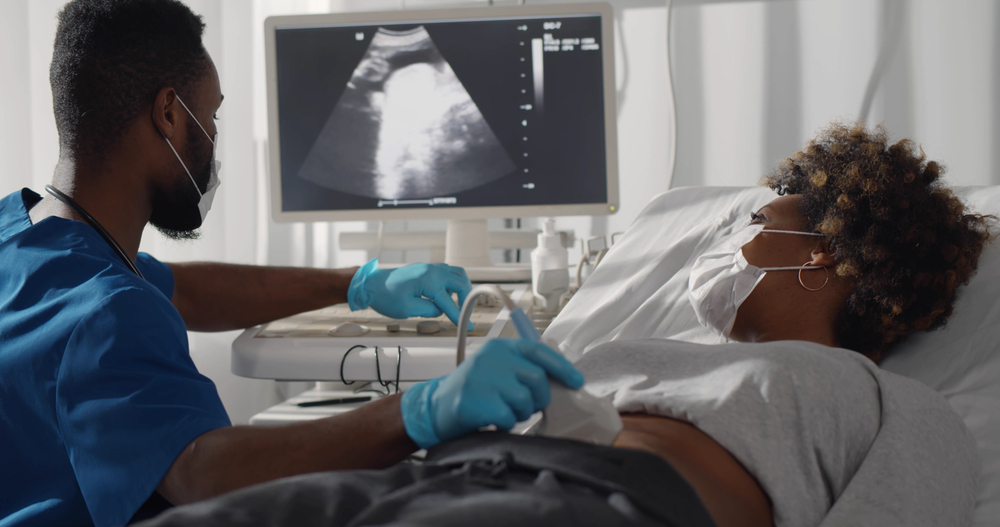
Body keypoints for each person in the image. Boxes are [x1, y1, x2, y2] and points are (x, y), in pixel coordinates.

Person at [133, 123, 994, 527]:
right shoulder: (642, 349)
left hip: (589, 507)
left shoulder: (893, 406)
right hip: (443, 478)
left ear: (826, 251)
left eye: (756, 219)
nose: (732, 236)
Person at [0, 1, 584, 526]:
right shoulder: (105, 315)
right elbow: (203, 473)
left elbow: (182, 292)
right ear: (170, 116)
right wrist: (422, 410)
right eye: (214, 117)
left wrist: (357, 284)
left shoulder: (24, 234)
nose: (214, 141)